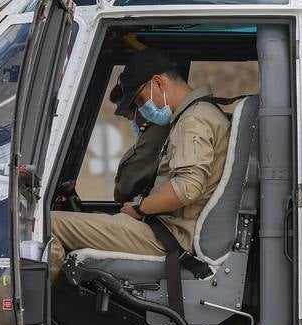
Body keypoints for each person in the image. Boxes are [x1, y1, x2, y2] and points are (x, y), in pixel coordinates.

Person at [47, 49, 230, 281]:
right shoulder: (199, 115)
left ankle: (20, 315)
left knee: (49, 224)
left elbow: (187, 187)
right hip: (166, 229)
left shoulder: (192, 120)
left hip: (169, 235)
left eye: (141, 100)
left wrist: (140, 207)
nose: (142, 109)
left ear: (158, 82)